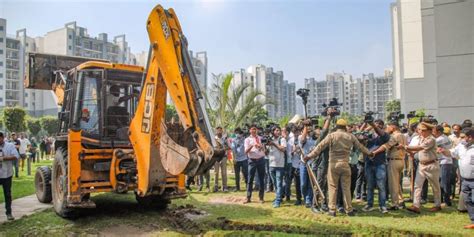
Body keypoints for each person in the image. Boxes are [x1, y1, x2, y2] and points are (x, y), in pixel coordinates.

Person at [303, 119, 372, 217]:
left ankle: (332, 210)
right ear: (345, 127)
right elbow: (360, 147)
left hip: (333, 164)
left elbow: (319, 147)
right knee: (346, 188)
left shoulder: (332, 136)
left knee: (332, 188)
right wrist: (370, 153)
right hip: (345, 164)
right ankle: (349, 209)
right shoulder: (350, 136)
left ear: (337, 126)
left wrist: (309, 156)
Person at [440, 127, 474, 229]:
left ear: (470, 137)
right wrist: (443, 150)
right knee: (468, 201)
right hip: (465, 179)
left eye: (463, 137)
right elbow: (451, 153)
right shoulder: (461, 146)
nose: (461, 139)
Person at [405, 122, 442, 214]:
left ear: (429, 131)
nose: (421, 132)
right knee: (417, 185)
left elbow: (419, 148)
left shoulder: (431, 139)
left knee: (435, 186)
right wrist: (412, 153)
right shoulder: (421, 138)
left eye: (423, 130)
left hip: (431, 165)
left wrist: (405, 147)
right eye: (420, 130)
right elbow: (418, 151)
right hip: (421, 164)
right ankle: (416, 205)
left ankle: (437, 205)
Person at [373, 120, 407, 210]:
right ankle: (400, 201)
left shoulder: (395, 136)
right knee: (398, 183)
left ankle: (394, 204)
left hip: (394, 161)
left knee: (393, 184)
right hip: (401, 160)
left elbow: (386, 146)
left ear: (393, 127)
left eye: (388, 126)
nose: (387, 128)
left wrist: (374, 152)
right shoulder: (403, 135)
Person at [362, 120, 390, 214]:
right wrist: (366, 125)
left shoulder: (385, 136)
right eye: (376, 124)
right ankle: (369, 204)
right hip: (369, 163)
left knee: (381, 186)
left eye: (380, 125)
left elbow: (382, 134)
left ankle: (382, 205)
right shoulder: (369, 136)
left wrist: (374, 125)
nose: (378, 126)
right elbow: (358, 135)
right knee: (369, 185)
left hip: (380, 163)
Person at [0, 132, 20, 221]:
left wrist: (4, 158)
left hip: (7, 174)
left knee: (7, 194)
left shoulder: (10, 146)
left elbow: (16, 156)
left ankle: (9, 213)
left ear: (3, 137)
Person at [244, 124, 266, 204]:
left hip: (261, 160)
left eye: (255, 129)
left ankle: (261, 198)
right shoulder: (247, 140)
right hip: (252, 161)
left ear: (257, 130)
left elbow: (265, 150)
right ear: (250, 130)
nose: (253, 131)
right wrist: (252, 145)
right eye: (252, 129)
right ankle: (248, 197)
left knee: (261, 179)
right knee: (250, 179)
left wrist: (261, 146)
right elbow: (246, 151)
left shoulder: (261, 138)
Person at [433, 125, 453, 206]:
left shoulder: (441, 139)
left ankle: (446, 201)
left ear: (439, 132)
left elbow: (432, 143)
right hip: (442, 161)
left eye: (433, 131)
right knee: (441, 181)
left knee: (444, 183)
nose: (432, 133)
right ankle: (441, 199)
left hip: (445, 162)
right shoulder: (444, 137)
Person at [214, 126, 229, 192]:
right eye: (218, 130)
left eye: (220, 130)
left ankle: (225, 187)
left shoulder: (225, 138)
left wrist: (224, 148)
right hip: (216, 157)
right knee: (216, 173)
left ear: (222, 131)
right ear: (216, 131)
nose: (219, 131)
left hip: (224, 156)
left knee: (224, 172)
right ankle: (216, 186)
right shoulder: (214, 138)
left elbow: (228, 147)